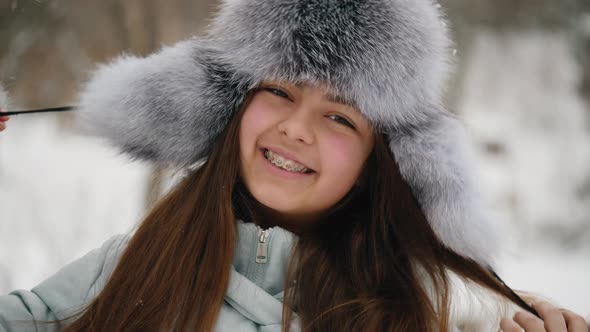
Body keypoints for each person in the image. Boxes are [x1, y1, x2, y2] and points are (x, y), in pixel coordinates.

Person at [0, 0, 588, 331]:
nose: (296, 127)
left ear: (378, 164)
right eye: (280, 92)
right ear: (230, 107)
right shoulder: (135, 263)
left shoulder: (407, 314)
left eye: (341, 118)